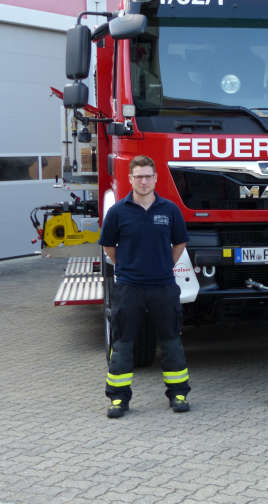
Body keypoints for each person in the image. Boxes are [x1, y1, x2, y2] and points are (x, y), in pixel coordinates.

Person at [99, 155, 191, 418]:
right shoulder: (118, 212)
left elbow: (179, 243)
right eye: (138, 176)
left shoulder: (170, 210)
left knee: (171, 341)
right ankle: (118, 399)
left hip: (163, 286)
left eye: (148, 176)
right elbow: (108, 247)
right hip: (129, 288)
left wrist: (163, 267)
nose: (143, 181)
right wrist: (127, 269)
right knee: (124, 343)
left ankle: (179, 394)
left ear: (155, 179)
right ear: (130, 179)